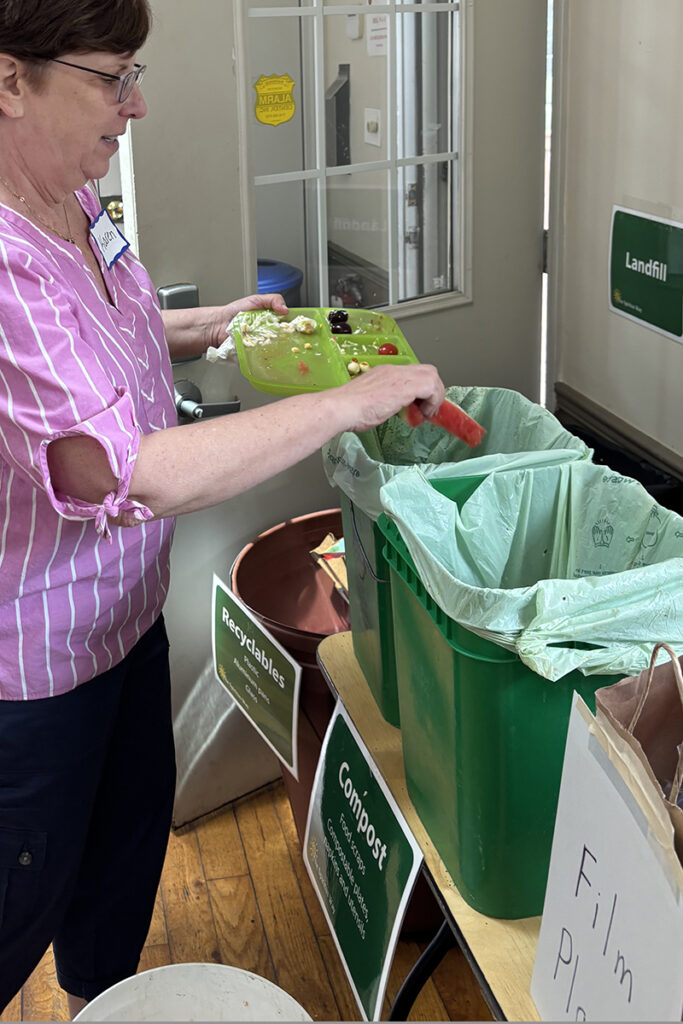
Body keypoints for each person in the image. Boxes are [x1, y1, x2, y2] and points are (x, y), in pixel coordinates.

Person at [0, 0, 445, 1013]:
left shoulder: (72, 198)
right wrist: (345, 401)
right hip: (32, 684)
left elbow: (106, 340)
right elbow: (127, 470)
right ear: (8, 80)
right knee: (18, 903)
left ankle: (101, 1000)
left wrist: (209, 327)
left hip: (122, 633)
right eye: (113, 77)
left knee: (114, 881)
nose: (135, 104)